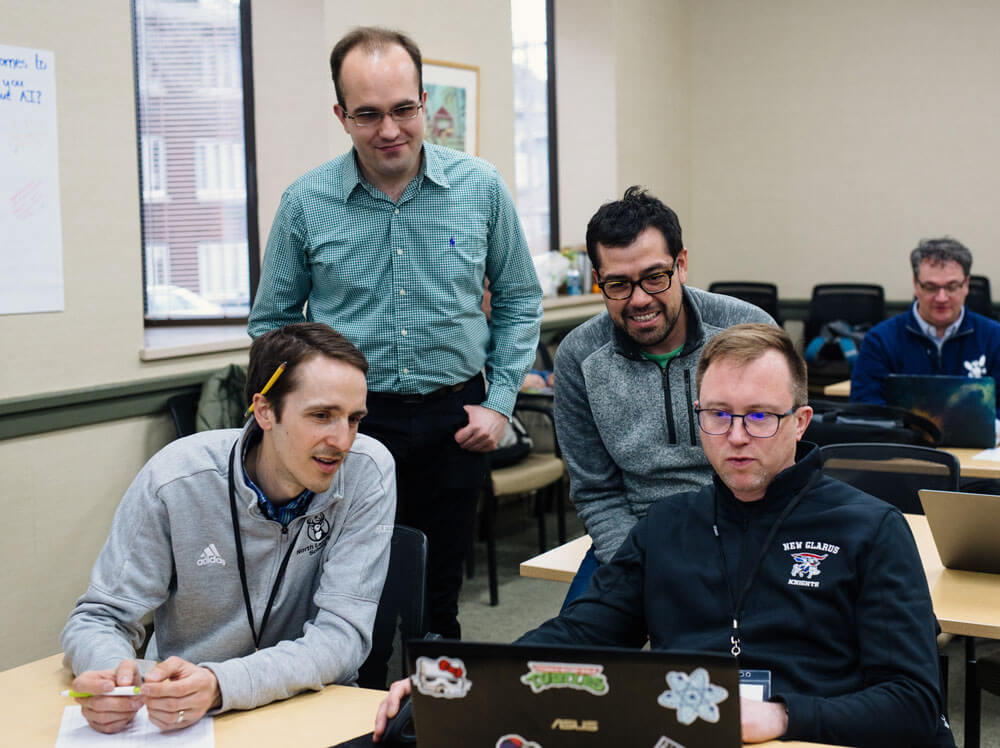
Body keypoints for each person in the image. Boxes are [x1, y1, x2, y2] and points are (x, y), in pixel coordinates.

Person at [374, 324, 953, 746]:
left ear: (800, 423)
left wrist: (780, 716)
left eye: (760, 416)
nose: (736, 436)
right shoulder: (668, 525)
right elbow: (579, 636)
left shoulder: (871, 528)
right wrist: (458, 680)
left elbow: (912, 704)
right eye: (718, 414)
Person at [247, 27, 542, 641]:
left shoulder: (480, 188)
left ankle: (437, 723)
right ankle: (360, 727)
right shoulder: (306, 202)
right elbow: (271, 323)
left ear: (423, 101)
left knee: (439, 606)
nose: (390, 130)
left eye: (404, 109)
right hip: (348, 427)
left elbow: (518, 299)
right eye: (369, 114)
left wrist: (500, 402)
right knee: (352, 605)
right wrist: (296, 416)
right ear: (341, 115)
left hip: (454, 420)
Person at [61, 323, 396, 734]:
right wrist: (113, 680)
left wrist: (222, 685)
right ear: (265, 410)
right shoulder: (176, 479)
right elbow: (100, 617)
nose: (342, 440)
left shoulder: (369, 471)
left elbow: (342, 638)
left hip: (312, 706)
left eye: (354, 419)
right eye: (322, 415)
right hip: (184, 717)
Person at [555, 186, 774, 603]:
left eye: (655, 277)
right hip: (634, 539)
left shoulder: (746, 332)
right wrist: (641, 565)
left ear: (682, 264)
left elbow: (776, 466)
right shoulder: (580, 356)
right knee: (576, 661)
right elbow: (596, 492)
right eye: (618, 284)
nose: (639, 300)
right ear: (598, 281)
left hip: (744, 530)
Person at [851, 236, 1000, 409]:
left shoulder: (994, 338)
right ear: (916, 285)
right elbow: (864, 407)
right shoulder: (880, 340)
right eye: (931, 287)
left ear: (966, 285)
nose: (941, 298)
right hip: (903, 436)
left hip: (979, 436)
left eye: (951, 286)